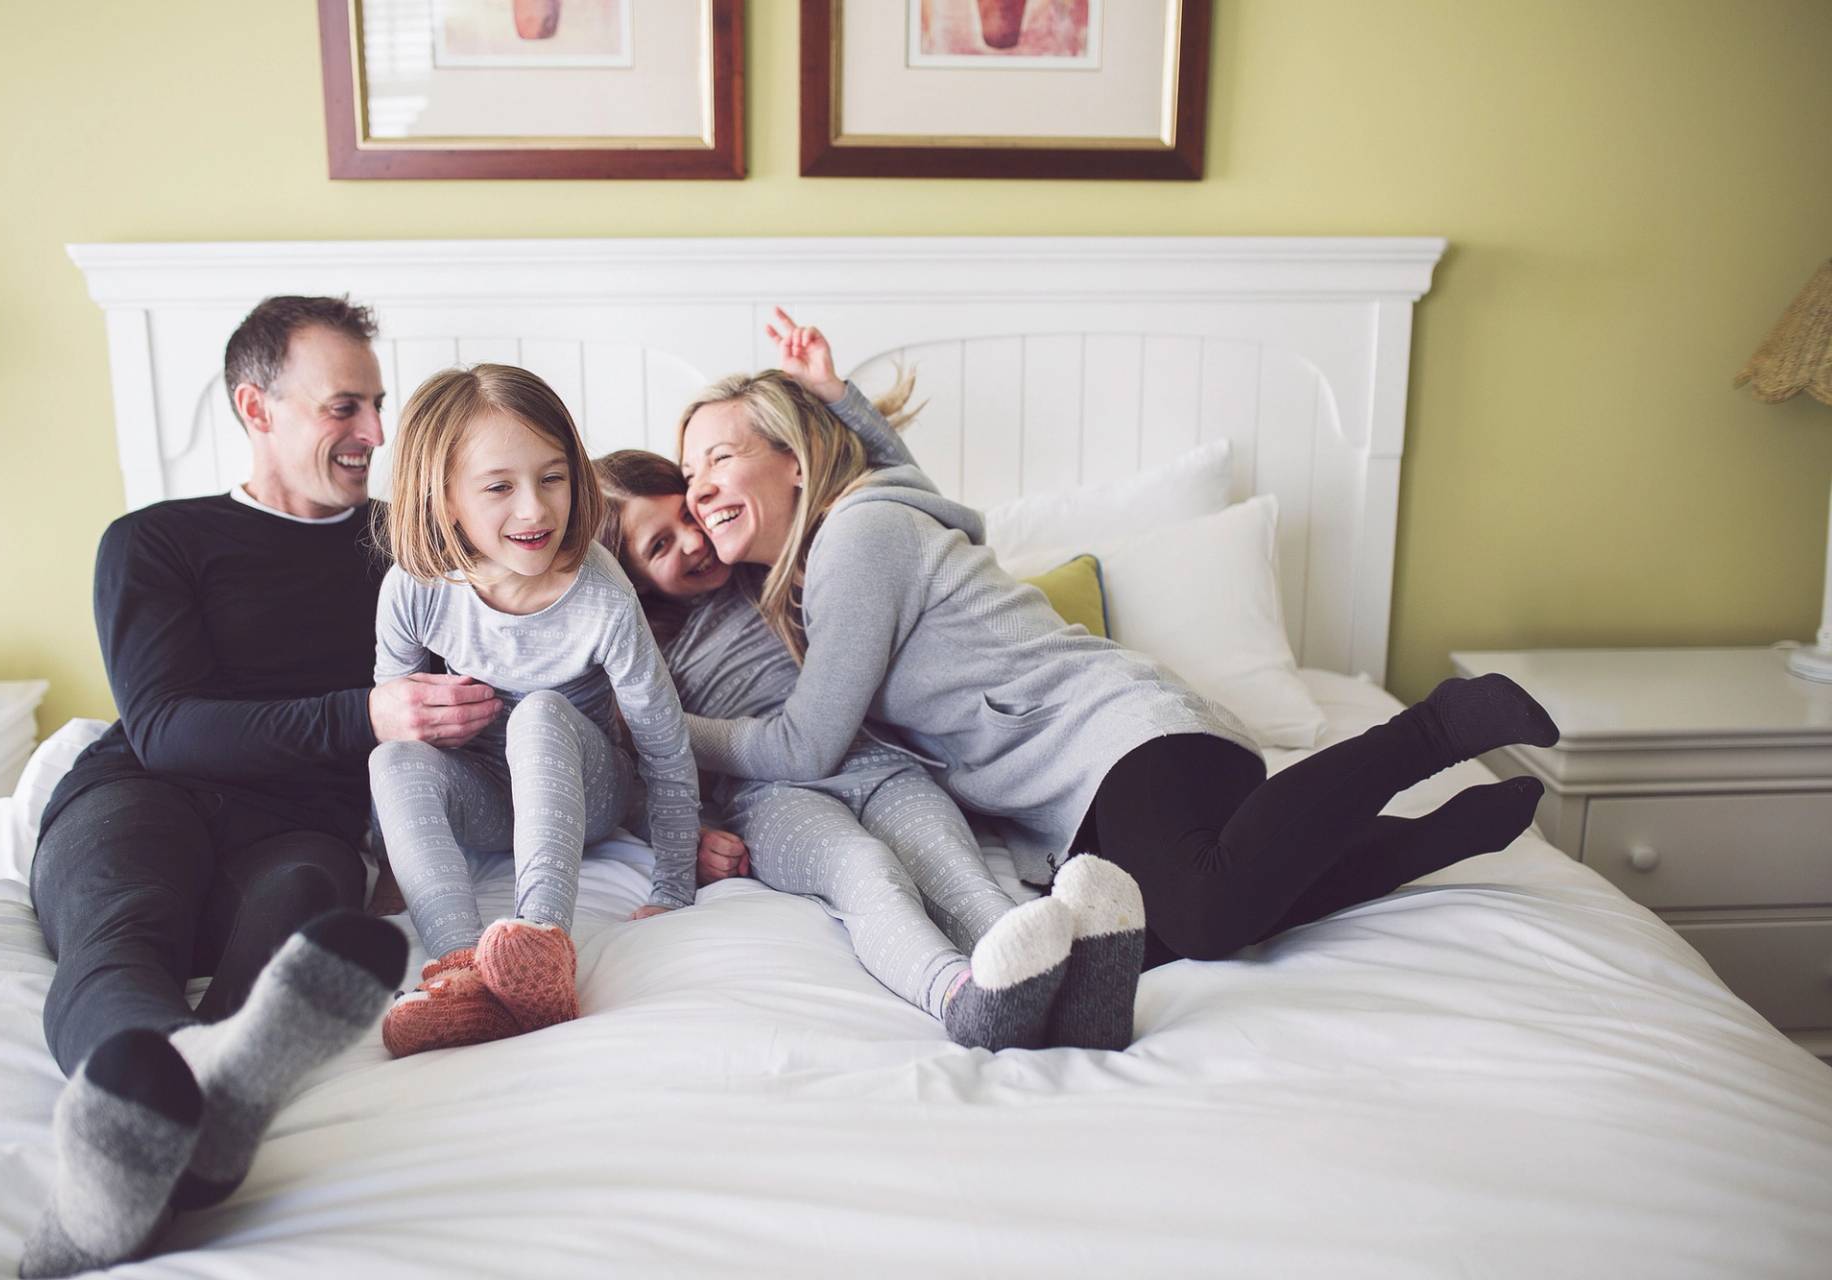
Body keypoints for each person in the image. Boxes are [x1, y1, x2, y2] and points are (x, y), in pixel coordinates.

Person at [673, 312, 1556, 1018]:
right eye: (687, 473)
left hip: (1122, 736)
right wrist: (845, 398)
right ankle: (1443, 835)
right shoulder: (871, 528)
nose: (699, 486)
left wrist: (667, 732)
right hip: (1071, 790)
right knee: (1143, 942)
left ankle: (1435, 727)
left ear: (795, 460)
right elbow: (904, 479)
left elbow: (807, 744)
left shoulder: (858, 536)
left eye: (720, 456)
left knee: (1206, 915)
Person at [21, 296, 502, 1277]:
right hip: (142, 793)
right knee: (125, 929)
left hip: (301, 827)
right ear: (257, 406)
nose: (375, 434)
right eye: (344, 408)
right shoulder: (157, 541)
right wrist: (368, 712)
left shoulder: (411, 551)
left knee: (312, 910)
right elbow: (164, 727)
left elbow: (542, 639)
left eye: (378, 405)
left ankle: (176, 1132)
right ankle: (178, 1082)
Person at [592, 319, 1140, 1051]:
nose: (693, 538)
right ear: (629, 579)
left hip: (878, 761)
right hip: (770, 796)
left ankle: (1066, 993)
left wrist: (838, 398)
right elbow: (626, 760)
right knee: (865, 871)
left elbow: (896, 493)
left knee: (956, 864)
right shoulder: (641, 650)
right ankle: (958, 994)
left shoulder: (772, 564)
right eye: (660, 545)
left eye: (689, 511)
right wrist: (682, 833)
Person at [369, 363, 702, 1058]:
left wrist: (674, 881)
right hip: (490, 801)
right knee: (392, 752)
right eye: (499, 487)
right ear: (446, 498)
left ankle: (541, 945)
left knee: (539, 713)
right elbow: (402, 720)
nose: (535, 510)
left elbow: (662, 745)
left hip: (588, 789)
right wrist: (387, 873)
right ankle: (461, 975)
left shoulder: (601, 593)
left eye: (553, 478)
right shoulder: (416, 590)